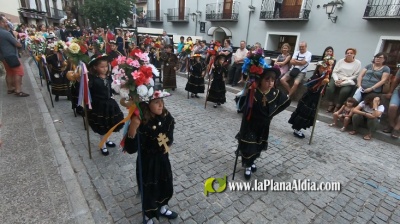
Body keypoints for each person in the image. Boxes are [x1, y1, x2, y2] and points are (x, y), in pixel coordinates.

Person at [125, 90, 178, 224]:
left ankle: (162, 207)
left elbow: (169, 135)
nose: (161, 105)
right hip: (147, 162)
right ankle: (148, 215)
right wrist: (133, 128)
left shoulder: (166, 115)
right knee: (149, 189)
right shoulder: (141, 121)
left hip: (162, 159)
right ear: (147, 104)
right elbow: (131, 148)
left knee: (165, 183)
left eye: (162, 102)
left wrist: (166, 144)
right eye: (156, 102)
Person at [236, 64, 290, 179]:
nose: (270, 82)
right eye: (267, 79)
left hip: (264, 126)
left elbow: (286, 102)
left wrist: (272, 114)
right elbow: (242, 107)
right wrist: (246, 92)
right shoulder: (253, 92)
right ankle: (248, 165)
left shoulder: (275, 93)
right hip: (250, 124)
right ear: (260, 80)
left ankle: (252, 160)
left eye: (272, 80)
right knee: (249, 145)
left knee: (258, 145)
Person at [88, 54, 124, 156]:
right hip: (99, 106)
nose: (104, 69)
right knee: (102, 126)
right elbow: (89, 92)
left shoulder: (109, 78)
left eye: (106, 66)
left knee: (109, 124)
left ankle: (107, 140)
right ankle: (102, 145)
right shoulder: (93, 79)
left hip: (110, 104)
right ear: (95, 67)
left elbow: (112, 89)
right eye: (102, 67)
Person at [288, 57, 333, 138]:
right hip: (309, 99)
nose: (324, 70)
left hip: (314, 100)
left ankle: (298, 128)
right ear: (319, 68)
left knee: (307, 115)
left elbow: (323, 90)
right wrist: (321, 83)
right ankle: (297, 128)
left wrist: (324, 84)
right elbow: (311, 87)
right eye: (322, 68)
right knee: (303, 113)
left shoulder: (324, 77)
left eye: (325, 69)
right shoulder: (315, 77)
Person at [0, 16, 29, 97]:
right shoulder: (5, 33)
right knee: (19, 72)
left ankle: (10, 89)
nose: (7, 24)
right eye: (6, 22)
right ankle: (18, 90)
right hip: (11, 56)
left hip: (3, 56)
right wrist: (16, 36)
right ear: (1, 23)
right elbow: (17, 44)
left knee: (9, 72)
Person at [326, 48, 361, 112]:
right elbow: (334, 72)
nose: (349, 54)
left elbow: (355, 75)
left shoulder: (357, 63)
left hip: (348, 80)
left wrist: (344, 80)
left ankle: (338, 105)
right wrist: (336, 80)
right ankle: (331, 104)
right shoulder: (341, 61)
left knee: (344, 92)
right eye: (347, 53)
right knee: (329, 88)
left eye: (351, 53)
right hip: (337, 78)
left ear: (354, 54)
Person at [383, 69, 400, 138]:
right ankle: (392, 125)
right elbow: (396, 80)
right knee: (392, 107)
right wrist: (390, 92)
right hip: (399, 91)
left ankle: (396, 129)